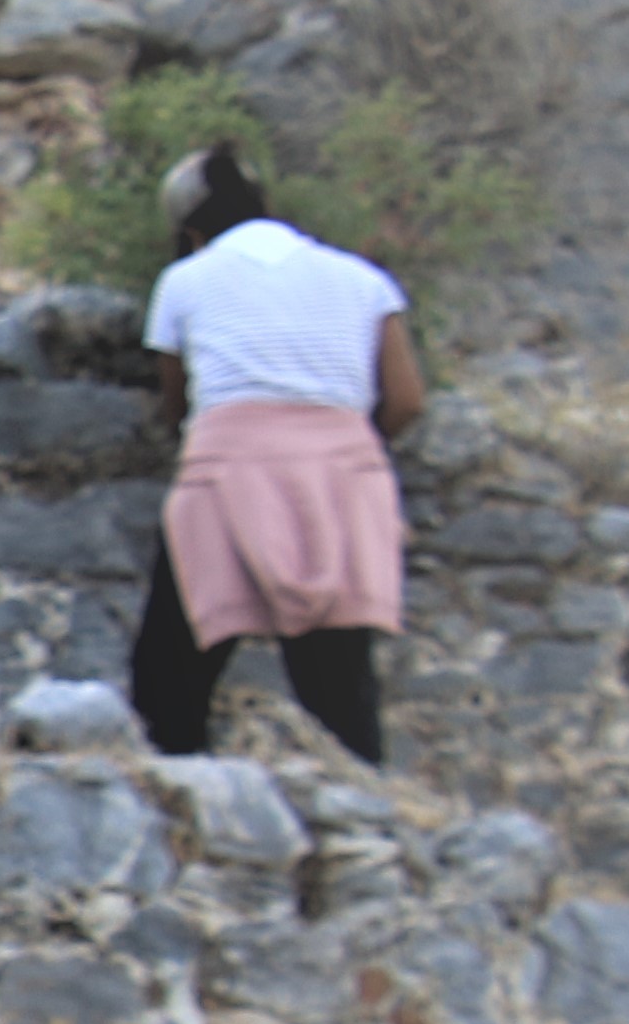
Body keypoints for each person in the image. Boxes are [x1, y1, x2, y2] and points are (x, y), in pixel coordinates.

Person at [130, 142, 423, 766]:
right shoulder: (362, 279)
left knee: (172, 665)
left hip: (228, 469)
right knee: (339, 679)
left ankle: (184, 796)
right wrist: (340, 450)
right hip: (342, 479)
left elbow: (176, 399)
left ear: (191, 228)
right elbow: (405, 398)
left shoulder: (185, 280)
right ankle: (362, 817)